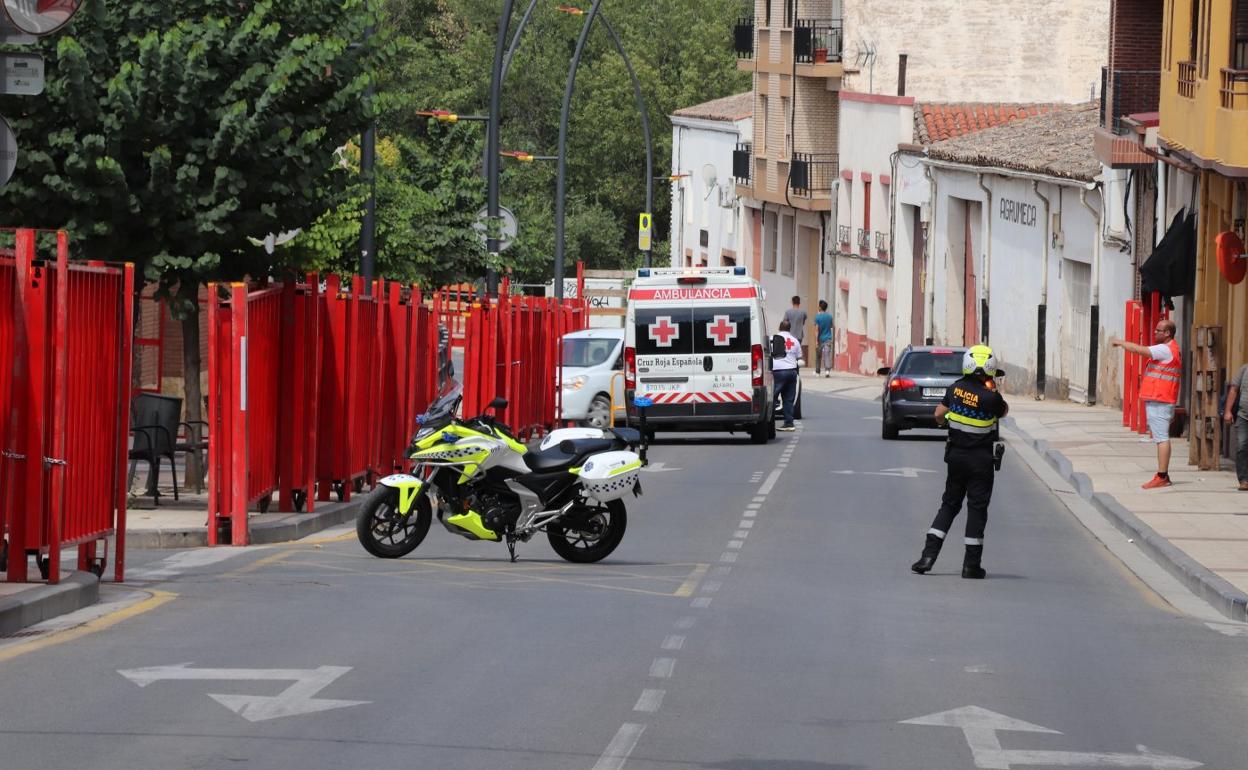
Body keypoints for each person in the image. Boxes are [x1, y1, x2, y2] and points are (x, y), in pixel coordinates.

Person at [911, 345, 1009, 579]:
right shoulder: (992, 398)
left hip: (956, 458)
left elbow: (938, 414)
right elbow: (1003, 411)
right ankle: (970, 566)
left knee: (949, 505)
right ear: (991, 369)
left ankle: (927, 557)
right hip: (981, 462)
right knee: (976, 509)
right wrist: (992, 389)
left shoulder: (955, 390)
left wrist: (947, 421)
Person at [1111, 319, 1181, 489]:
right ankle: (1163, 475)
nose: (1155, 332)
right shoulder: (1171, 349)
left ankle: (1162, 476)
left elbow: (1140, 350)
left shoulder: (1166, 349)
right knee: (1160, 436)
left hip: (1161, 399)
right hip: (1161, 398)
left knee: (1161, 438)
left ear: (1167, 334)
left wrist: (1121, 343)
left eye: (1159, 330)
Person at [772, 320, 801, 431]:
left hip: (777, 371)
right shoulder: (795, 341)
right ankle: (789, 423)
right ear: (790, 329)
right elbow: (799, 357)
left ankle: (769, 423)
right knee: (788, 399)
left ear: (779, 328)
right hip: (791, 372)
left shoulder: (772, 339)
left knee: (772, 398)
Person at [1224, 361, 1248, 491]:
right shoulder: (1244, 369)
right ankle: (1244, 480)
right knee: (1241, 446)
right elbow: (1233, 390)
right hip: (1244, 416)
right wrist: (1228, 411)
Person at [814, 300, 833, 377]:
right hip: (828, 338)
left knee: (818, 355)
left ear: (820, 307)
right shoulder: (829, 316)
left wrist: (816, 341)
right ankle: (827, 371)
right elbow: (831, 326)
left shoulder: (817, 317)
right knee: (827, 354)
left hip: (820, 339)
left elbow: (816, 330)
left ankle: (818, 372)